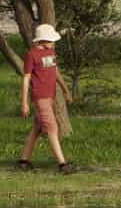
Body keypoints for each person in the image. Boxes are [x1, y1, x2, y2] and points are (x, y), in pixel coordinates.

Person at [16, 24, 76, 174]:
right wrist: (24, 102)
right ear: (41, 40)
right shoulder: (32, 55)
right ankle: (63, 164)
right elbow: (26, 78)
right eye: (50, 40)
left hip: (50, 96)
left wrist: (65, 89)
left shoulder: (51, 52)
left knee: (37, 128)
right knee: (52, 127)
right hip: (40, 96)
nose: (52, 42)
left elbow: (55, 72)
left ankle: (24, 160)